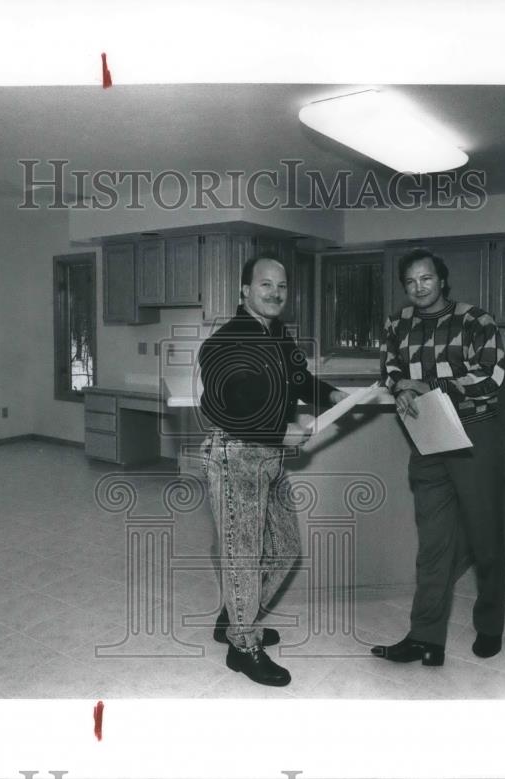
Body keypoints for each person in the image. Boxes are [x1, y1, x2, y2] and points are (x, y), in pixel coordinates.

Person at [198, 256, 348, 686]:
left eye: (281, 286)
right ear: (244, 291)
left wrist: (333, 393)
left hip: (267, 457)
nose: (275, 293)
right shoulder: (225, 342)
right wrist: (279, 433)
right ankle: (243, 647)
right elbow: (219, 408)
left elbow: (298, 380)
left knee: (284, 548)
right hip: (236, 456)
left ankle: (234, 617)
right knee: (242, 554)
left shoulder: (277, 333)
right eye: (265, 285)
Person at [371, 248, 505, 666]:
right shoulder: (397, 323)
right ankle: (426, 638)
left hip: (474, 434)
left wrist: (422, 383)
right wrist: (401, 387)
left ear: (442, 280)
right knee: (433, 544)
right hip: (427, 434)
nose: (418, 287)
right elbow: (390, 369)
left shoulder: (475, 320)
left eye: (426, 279)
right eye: (410, 281)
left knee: (484, 537)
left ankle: (489, 625)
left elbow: (492, 377)